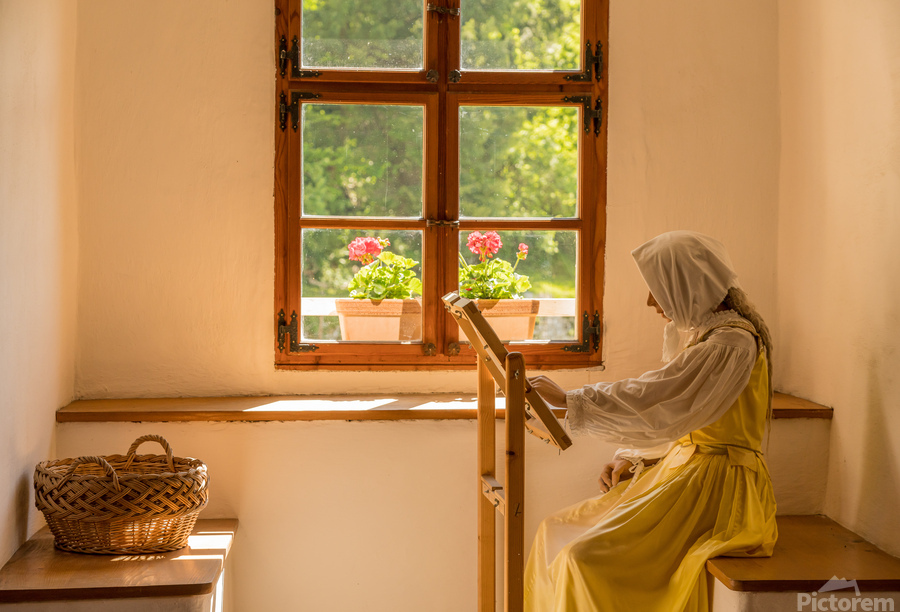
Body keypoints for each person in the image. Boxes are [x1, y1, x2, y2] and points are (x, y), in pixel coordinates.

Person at [525, 230, 777, 612]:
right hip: (688, 468)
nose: (649, 300)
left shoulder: (730, 343)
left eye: (656, 288)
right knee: (554, 531)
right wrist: (635, 455)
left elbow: (660, 397)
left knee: (583, 559)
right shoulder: (710, 336)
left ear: (687, 286)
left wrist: (572, 399)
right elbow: (680, 413)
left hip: (719, 488)